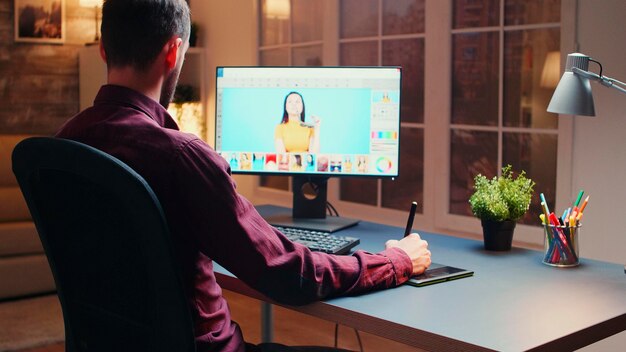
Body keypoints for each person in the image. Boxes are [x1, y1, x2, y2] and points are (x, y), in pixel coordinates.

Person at [55, 1, 431, 351]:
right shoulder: (182, 158)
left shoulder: (63, 145)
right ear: (173, 51)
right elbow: (289, 274)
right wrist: (394, 261)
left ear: (104, 48)